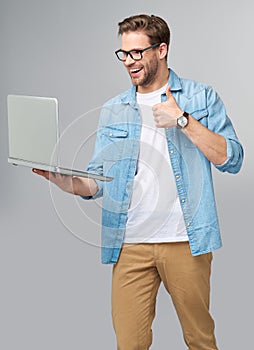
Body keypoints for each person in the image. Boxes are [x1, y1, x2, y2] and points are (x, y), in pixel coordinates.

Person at [33, 14, 244, 350]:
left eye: (136, 53)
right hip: (129, 244)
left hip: (185, 242)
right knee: (128, 344)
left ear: (161, 50)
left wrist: (183, 120)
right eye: (123, 54)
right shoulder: (114, 109)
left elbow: (231, 158)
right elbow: (98, 183)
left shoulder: (200, 97)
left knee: (200, 339)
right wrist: (68, 182)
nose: (129, 62)